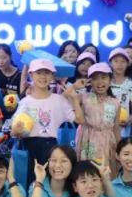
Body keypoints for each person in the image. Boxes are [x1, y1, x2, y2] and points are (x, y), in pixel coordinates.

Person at [12, 59, 82, 187]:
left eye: (47, 73)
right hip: (28, 147)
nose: (43, 77)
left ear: (52, 75)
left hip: (50, 148)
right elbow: (13, 130)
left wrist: (74, 98)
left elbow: (80, 120)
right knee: (29, 183)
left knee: (49, 183)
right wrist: (15, 132)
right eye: (39, 73)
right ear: (31, 75)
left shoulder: (59, 100)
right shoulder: (25, 102)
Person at [75, 63, 121, 176]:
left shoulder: (115, 103)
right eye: (95, 78)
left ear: (110, 80)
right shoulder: (84, 98)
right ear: (90, 81)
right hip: (87, 141)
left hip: (108, 143)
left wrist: (121, 149)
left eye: (104, 77)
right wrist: (74, 87)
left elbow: (116, 129)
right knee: (87, 173)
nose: (100, 82)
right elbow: (62, 100)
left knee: (106, 174)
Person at [0, 44, 22, 119]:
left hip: (16, 114)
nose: (0, 62)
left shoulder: (20, 75)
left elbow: (24, 96)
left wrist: (15, 104)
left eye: (4, 57)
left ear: (11, 57)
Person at [109, 48, 132, 136]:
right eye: (116, 61)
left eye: (123, 61)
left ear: (127, 64)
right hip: (107, 129)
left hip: (125, 130)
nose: (119, 64)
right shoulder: (105, 84)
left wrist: (131, 119)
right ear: (110, 63)